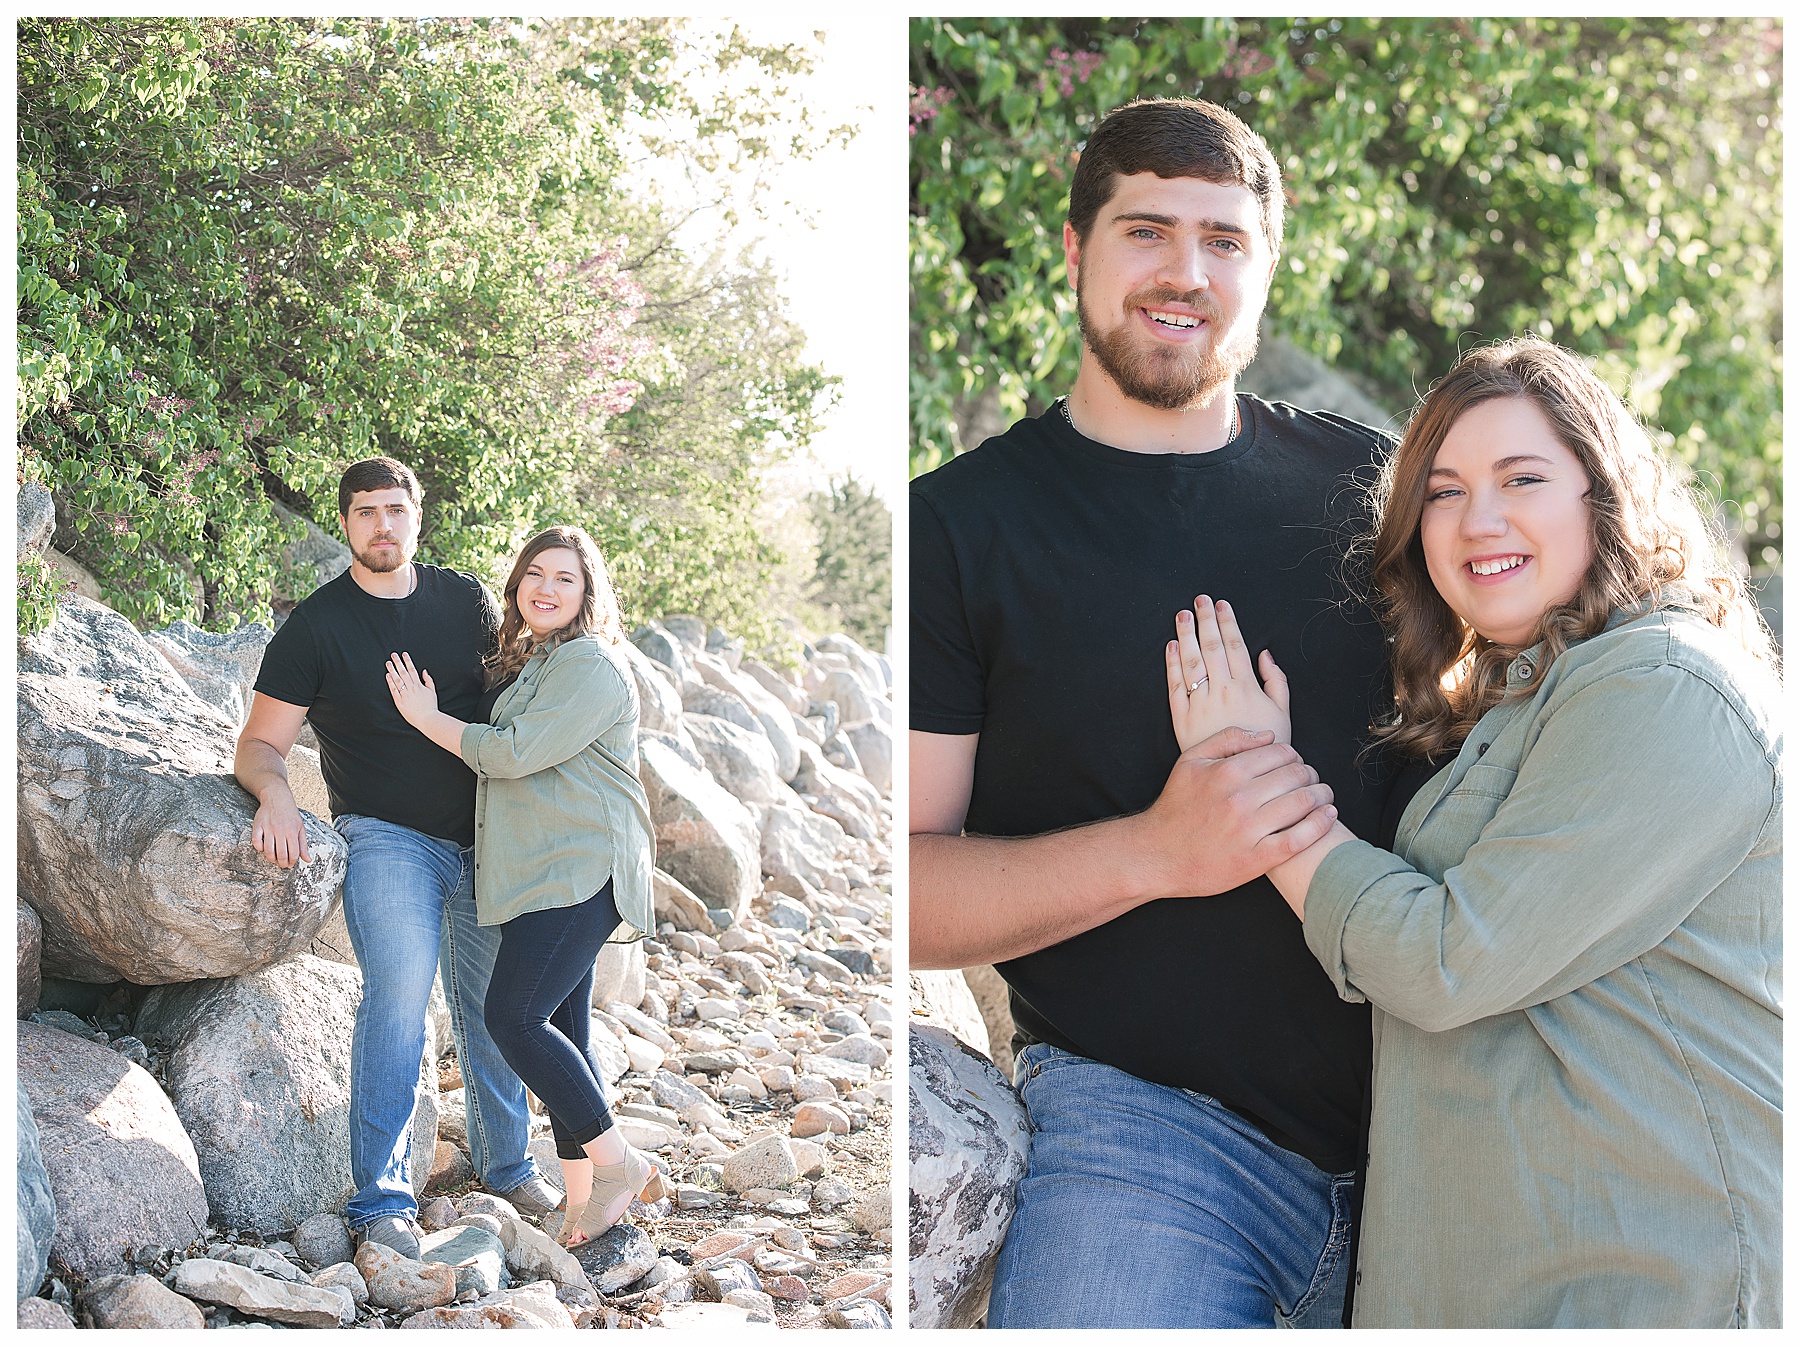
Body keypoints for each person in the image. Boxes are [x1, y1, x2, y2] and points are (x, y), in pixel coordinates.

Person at [1165, 339, 1781, 1327]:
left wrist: (1256, 782)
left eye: (1521, 478)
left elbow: (1448, 958)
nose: (1476, 519)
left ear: (1602, 489)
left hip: (1644, 1284)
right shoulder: (1541, 687)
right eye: (1444, 491)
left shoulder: (1667, 684)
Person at [910, 96, 1393, 1328]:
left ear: (1266, 268)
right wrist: (1165, 849)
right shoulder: (960, 530)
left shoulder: (1373, 490)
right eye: (1147, 231)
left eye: (1225, 241)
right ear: (1075, 252)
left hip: (1437, 1126)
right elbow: (903, 889)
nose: (1186, 273)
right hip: (1150, 1139)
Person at [236, 458, 562, 1258]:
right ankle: (380, 1201)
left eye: (395, 510)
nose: (382, 526)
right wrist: (278, 797)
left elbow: (517, 709)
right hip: (387, 842)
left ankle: (507, 1163)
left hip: (486, 838)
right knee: (398, 1000)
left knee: (499, 1009)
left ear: (417, 516)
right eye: (365, 513)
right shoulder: (316, 625)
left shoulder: (467, 602)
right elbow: (259, 745)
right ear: (345, 524)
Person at [382, 524, 667, 1248]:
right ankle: (584, 1201)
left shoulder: (590, 667)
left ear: (587, 593)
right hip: (546, 871)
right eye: (534, 574)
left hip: (582, 868)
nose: (545, 588)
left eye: (564, 578)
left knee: (513, 1018)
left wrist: (425, 719)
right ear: (516, 586)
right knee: (565, 1030)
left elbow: (509, 755)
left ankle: (619, 1163)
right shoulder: (539, 660)